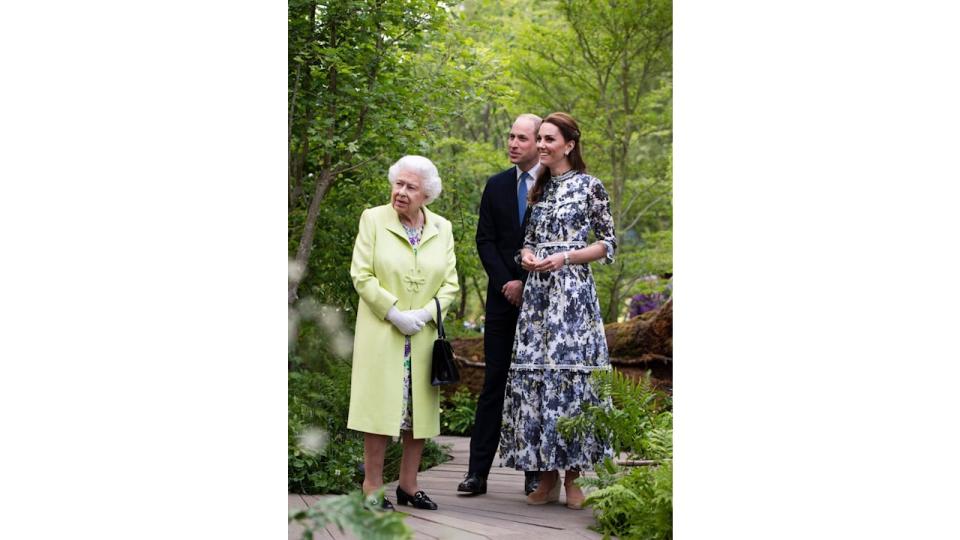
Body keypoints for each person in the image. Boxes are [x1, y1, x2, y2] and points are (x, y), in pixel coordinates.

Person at [499, 112, 616, 510]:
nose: (542, 146)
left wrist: (565, 258)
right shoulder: (540, 190)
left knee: (572, 382)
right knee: (538, 383)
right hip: (538, 300)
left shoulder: (590, 187)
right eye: (541, 139)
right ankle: (545, 478)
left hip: (572, 299)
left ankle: (574, 479)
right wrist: (528, 256)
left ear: (569, 144)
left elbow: (608, 244)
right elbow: (526, 242)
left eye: (550, 140)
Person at [347, 155, 459, 511]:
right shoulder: (373, 219)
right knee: (380, 410)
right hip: (384, 331)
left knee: (417, 413)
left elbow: (450, 283)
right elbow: (361, 274)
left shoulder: (442, 227)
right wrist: (394, 313)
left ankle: (409, 486)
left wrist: (426, 314)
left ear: (426, 194)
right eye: (398, 184)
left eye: (411, 187)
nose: (401, 192)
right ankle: (372, 486)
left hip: (423, 335)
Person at [458, 114, 543, 497]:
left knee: (533, 385)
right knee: (494, 383)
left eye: (521, 138)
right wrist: (507, 282)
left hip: (542, 302)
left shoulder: (556, 186)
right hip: (501, 301)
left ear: (539, 142)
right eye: (510, 136)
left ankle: (534, 473)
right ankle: (477, 474)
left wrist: (527, 283)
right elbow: (484, 240)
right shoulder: (495, 186)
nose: (512, 143)